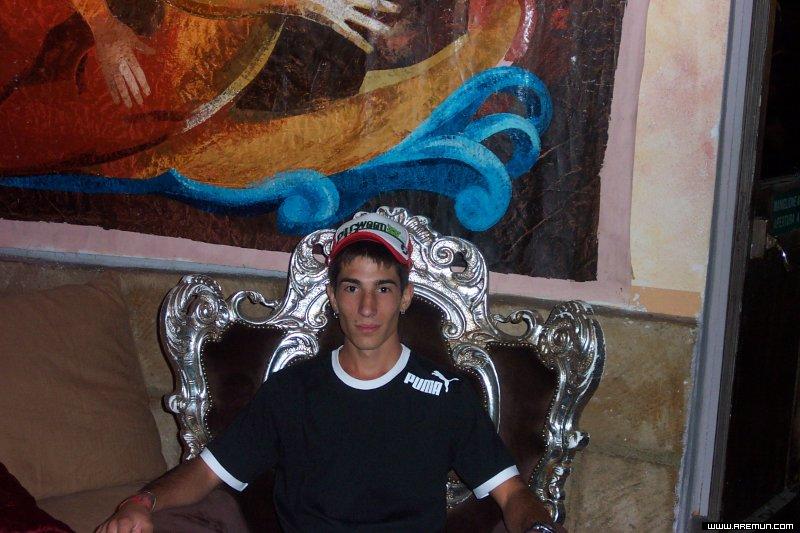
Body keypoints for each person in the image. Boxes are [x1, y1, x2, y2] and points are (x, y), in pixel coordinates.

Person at [95, 212, 562, 533]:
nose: (367, 307)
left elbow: (512, 495)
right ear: (333, 297)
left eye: (383, 289)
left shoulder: (446, 395)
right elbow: (206, 473)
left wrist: (539, 527)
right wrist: (141, 503)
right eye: (352, 288)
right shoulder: (292, 391)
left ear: (405, 297)